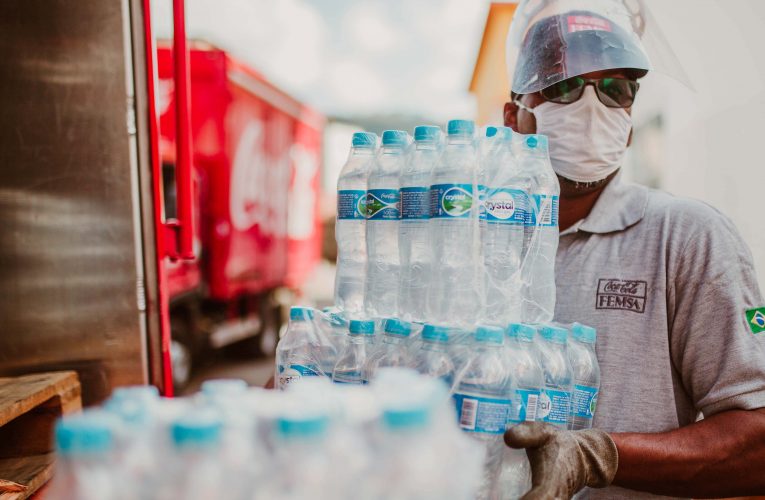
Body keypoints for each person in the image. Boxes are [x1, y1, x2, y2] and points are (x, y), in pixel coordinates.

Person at [500, 1, 765, 499]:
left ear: (628, 123)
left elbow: (758, 445)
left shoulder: (688, 236)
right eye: (562, 85)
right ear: (515, 117)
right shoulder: (475, 243)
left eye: (615, 89)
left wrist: (600, 455)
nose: (590, 106)